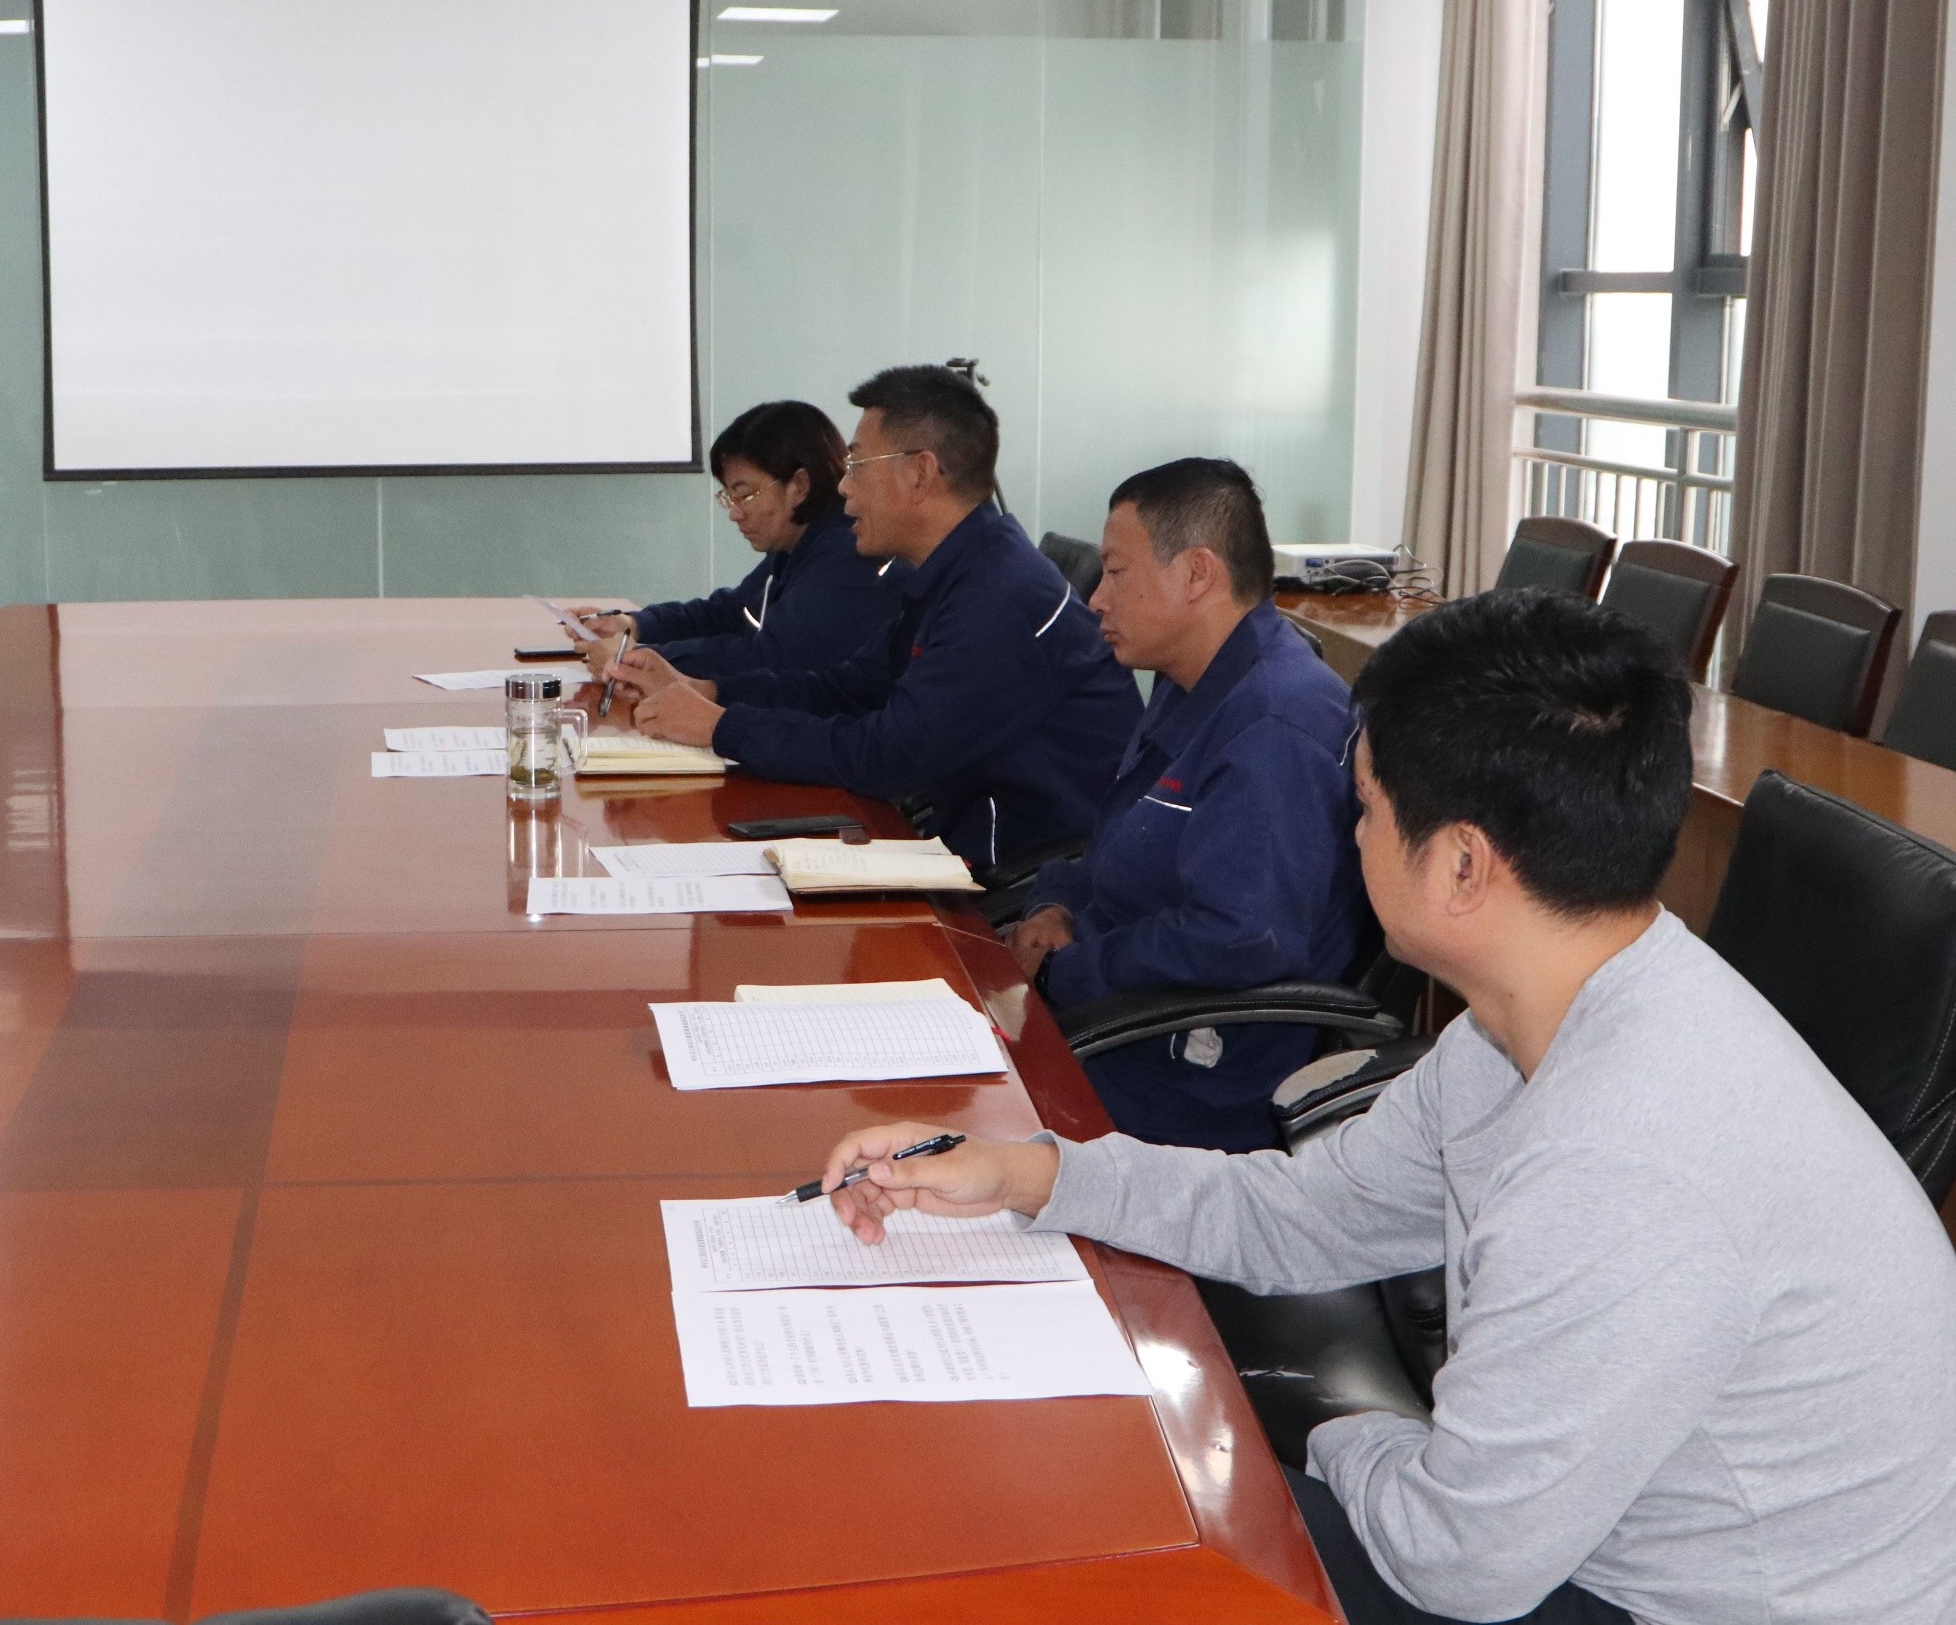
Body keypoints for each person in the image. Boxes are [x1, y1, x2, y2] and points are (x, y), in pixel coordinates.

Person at [809, 589, 1956, 1625]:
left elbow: (1460, 1564)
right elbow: (1308, 1213)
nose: (1348, 834)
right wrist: (1029, 1171)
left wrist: (1330, 1430)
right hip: (1590, 1543)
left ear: (1462, 865)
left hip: (1676, 1600)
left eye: (1362, 806)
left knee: (1127, 1551)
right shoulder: (1544, 1016)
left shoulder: (1623, 1154)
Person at [607, 364, 1139, 875]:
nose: (842, 487)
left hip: (1021, 878)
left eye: (857, 466)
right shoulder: (954, 569)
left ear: (919, 473)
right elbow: (848, 689)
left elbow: (888, 756)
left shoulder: (998, 594)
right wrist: (709, 691)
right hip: (952, 835)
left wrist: (721, 727)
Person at [1004, 458, 1365, 1151]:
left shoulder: (1273, 725)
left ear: (1197, 573)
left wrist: (1063, 972)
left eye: (1117, 572)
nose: (1096, 600)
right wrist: (1057, 906)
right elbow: (1121, 844)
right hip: (1118, 1009)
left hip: (1185, 1067)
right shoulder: (1189, 681)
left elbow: (1237, 938)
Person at [573, 401, 901, 682]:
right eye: (729, 498)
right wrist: (634, 625)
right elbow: (731, 613)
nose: (734, 513)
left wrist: (638, 657)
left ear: (799, 486)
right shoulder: (795, 546)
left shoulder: (846, 553)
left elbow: (769, 659)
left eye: (745, 495)